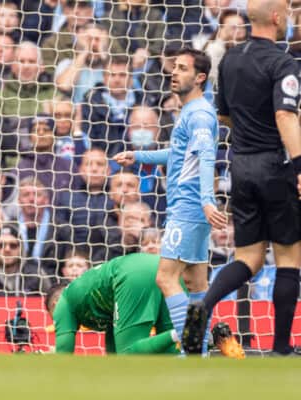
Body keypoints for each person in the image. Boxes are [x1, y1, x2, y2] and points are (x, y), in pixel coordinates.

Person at [183, 0, 301, 357]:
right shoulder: (283, 62)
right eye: (290, 13)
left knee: (248, 257)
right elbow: (285, 114)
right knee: (288, 258)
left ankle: (203, 305)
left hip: (241, 166)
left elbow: (224, 116)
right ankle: (281, 347)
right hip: (275, 166)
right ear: (278, 18)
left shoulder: (231, 59)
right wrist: (298, 165)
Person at [113, 48, 230, 356]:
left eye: (182, 68)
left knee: (165, 278)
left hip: (189, 207)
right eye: (174, 67)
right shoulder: (190, 113)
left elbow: (207, 157)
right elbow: (177, 155)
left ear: (200, 77)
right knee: (195, 283)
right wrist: (138, 156)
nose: (174, 73)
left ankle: (191, 350)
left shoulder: (201, 115)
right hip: (191, 208)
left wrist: (206, 200)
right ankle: (201, 351)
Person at [49, 253, 182, 355]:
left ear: (54, 304)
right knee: (168, 355)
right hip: (160, 267)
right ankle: (187, 329)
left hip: (132, 275)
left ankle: (181, 331)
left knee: (128, 353)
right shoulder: (94, 303)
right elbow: (114, 351)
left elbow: (63, 355)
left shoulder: (63, 302)